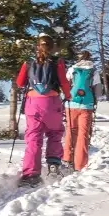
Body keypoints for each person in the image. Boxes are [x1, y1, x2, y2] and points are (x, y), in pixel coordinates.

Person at [14, 35, 69, 186]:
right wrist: (68, 95)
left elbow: (19, 83)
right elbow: (64, 82)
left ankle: (31, 175)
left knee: (33, 137)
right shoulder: (57, 62)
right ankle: (53, 165)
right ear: (51, 47)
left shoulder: (29, 63)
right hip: (52, 102)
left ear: (37, 46)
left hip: (33, 103)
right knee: (54, 133)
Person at [63, 50, 98, 170]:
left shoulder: (72, 69)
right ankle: (80, 164)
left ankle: (67, 158)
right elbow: (98, 89)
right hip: (86, 105)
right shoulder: (93, 70)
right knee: (83, 134)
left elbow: (65, 84)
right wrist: (95, 100)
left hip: (71, 103)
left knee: (70, 130)